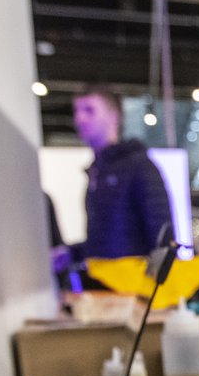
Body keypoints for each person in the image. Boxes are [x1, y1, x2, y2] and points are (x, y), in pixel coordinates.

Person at [72, 85, 173, 259]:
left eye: (89, 110)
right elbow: (103, 241)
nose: (80, 118)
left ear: (114, 116)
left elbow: (162, 234)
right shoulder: (97, 172)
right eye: (77, 111)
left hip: (134, 283)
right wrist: (72, 254)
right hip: (106, 281)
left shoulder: (139, 165)